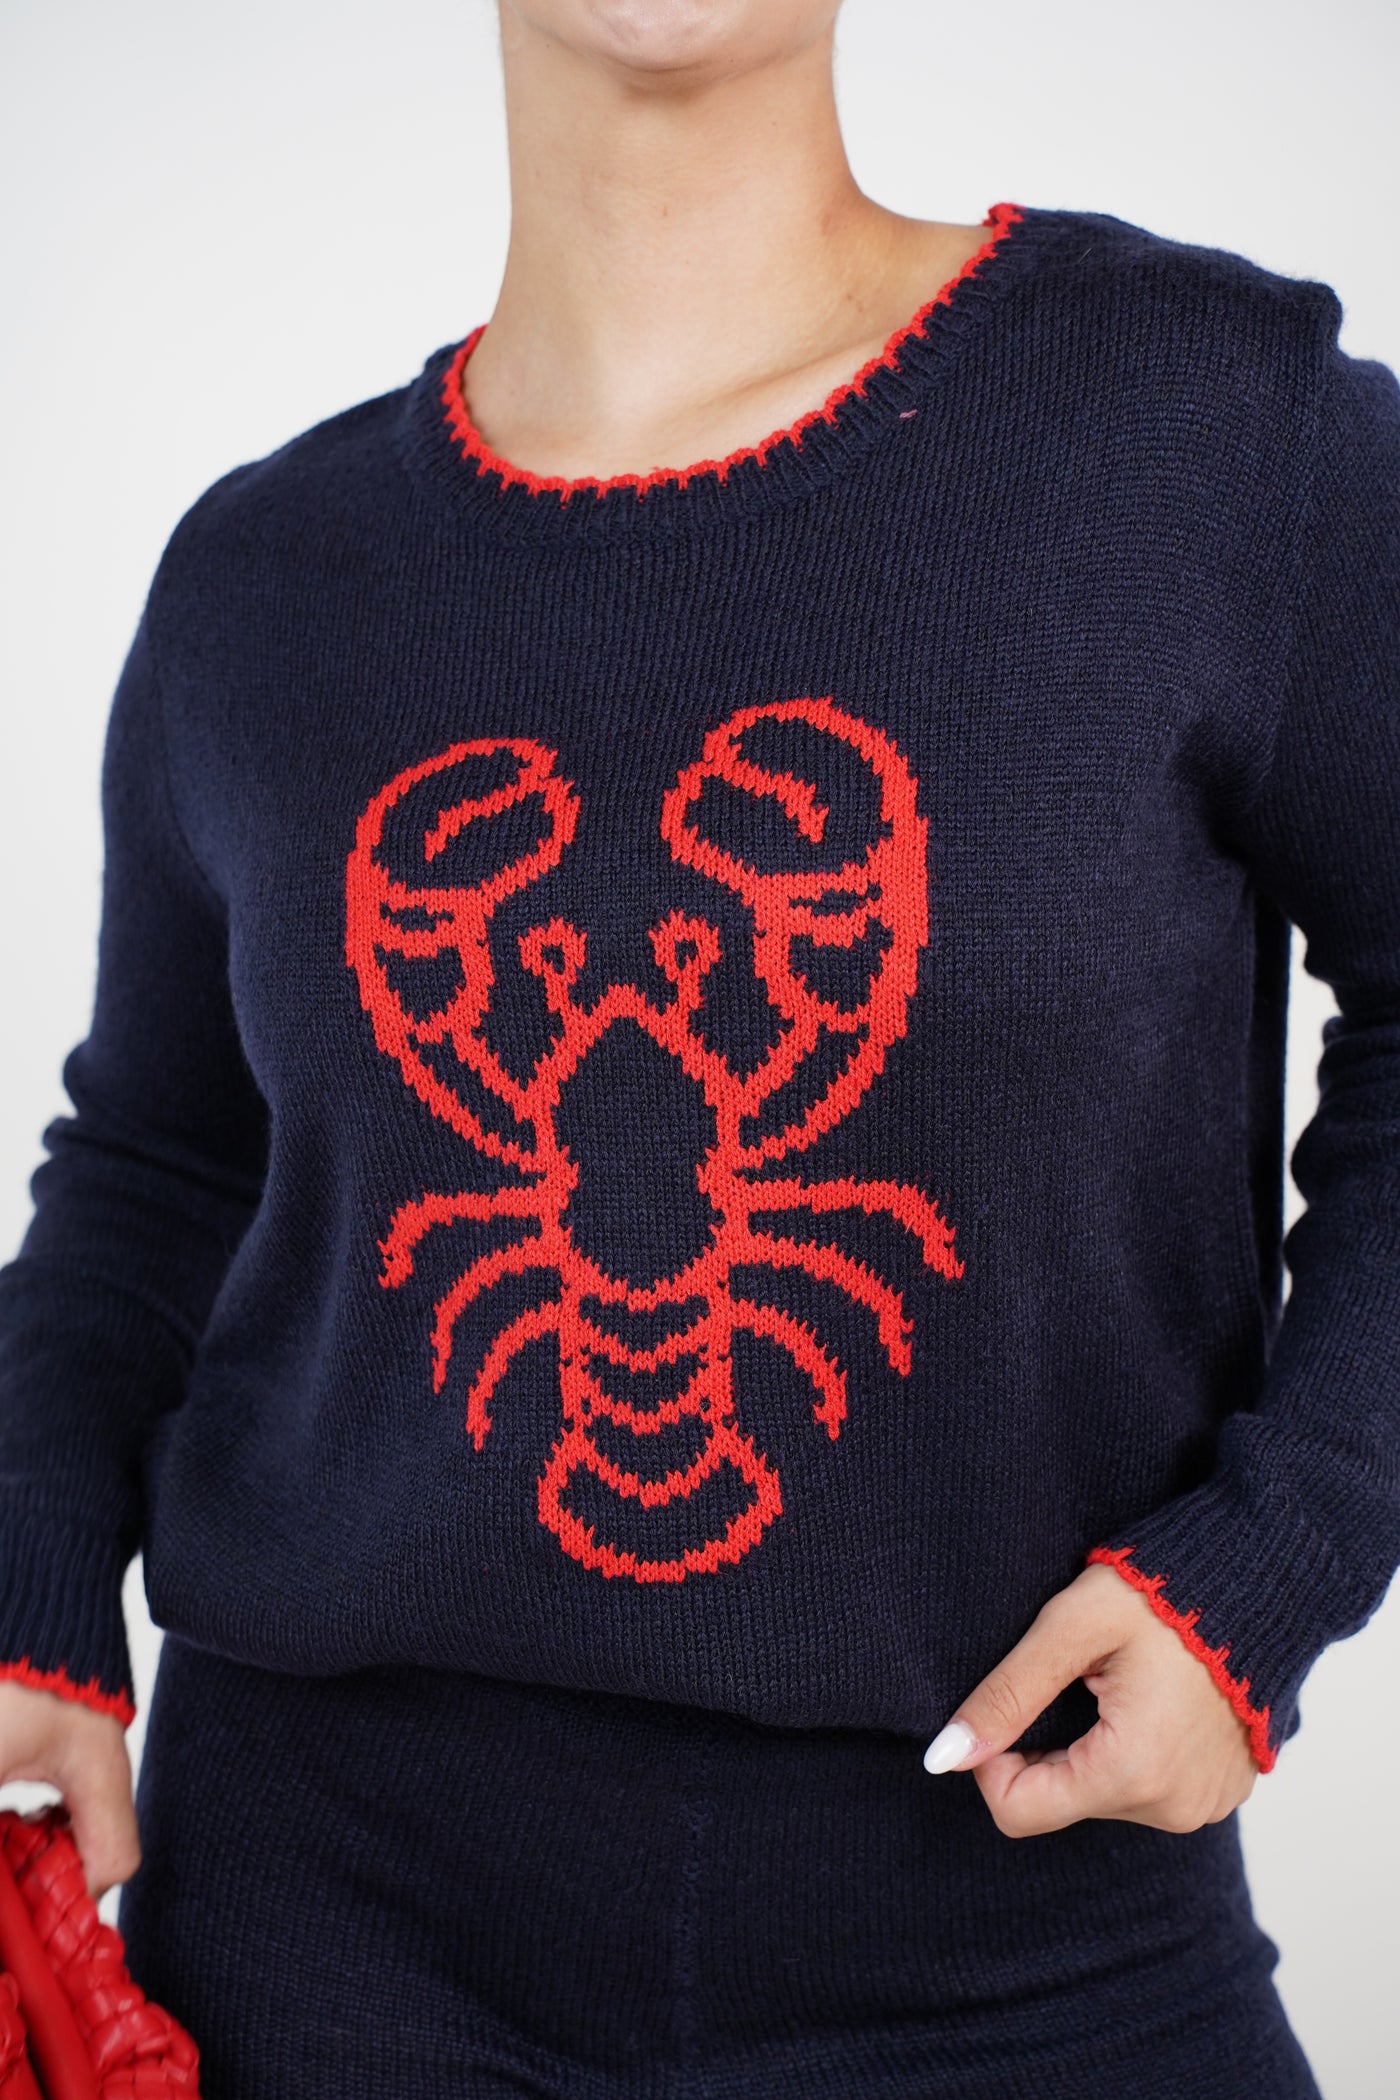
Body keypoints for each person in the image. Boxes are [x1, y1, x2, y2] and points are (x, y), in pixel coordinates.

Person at [1, 2, 1396, 2094]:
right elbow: (160, 1169)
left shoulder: (1216, 436)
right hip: (318, 1930)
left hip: (1037, 1925)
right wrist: (28, 1559)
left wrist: (1278, 1554)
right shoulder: (256, 579)